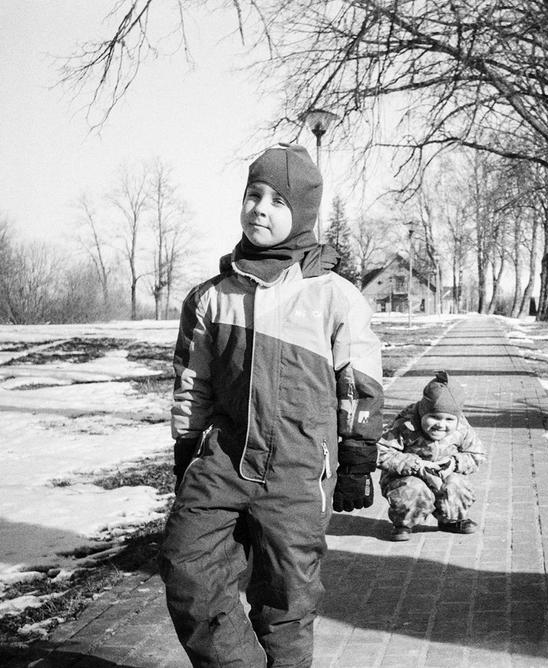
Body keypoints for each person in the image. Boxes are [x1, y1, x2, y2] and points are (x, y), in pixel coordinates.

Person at [160, 144, 383, 667]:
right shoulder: (211, 296)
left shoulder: (332, 295)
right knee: (186, 566)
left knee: (285, 600)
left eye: (277, 201)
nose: (259, 209)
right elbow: (193, 380)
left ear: (302, 212)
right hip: (224, 461)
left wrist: (357, 457)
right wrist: (187, 444)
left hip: (298, 471)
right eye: (253, 195)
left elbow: (359, 383)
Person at [377, 370, 486, 541]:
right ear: (422, 412)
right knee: (413, 488)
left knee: (457, 484)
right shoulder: (405, 425)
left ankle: (451, 520)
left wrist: (454, 463)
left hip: (443, 474)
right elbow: (381, 451)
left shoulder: (462, 428)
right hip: (408, 476)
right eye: (434, 417)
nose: (441, 425)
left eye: (449, 420)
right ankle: (404, 523)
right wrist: (416, 466)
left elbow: (477, 454)